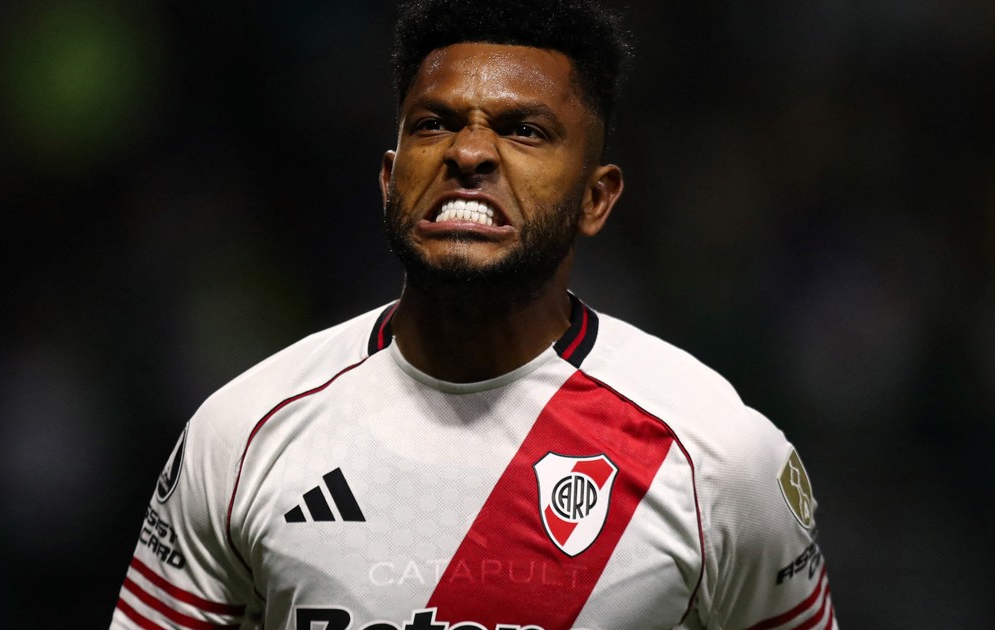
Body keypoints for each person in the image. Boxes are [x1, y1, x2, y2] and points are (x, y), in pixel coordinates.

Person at [111, 1, 838, 628]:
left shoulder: (716, 459)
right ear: (390, 179)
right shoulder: (242, 435)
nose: (469, 152)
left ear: (596, 198)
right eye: (434, 124)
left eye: (525, 130)